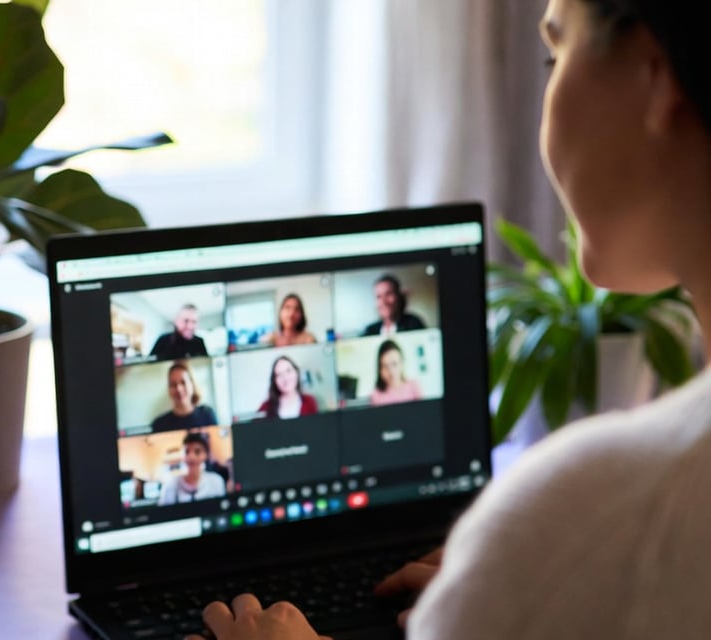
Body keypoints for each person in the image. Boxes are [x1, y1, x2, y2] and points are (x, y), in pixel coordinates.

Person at [191, 0, 711, 637]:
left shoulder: (602, 517)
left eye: (556, 54)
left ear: (653, 77)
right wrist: (505, 597)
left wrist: (521, 580)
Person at [158, 431, 225, 505]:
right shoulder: (170, 484)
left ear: (205, 455)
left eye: (197, 452)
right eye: (187, 452)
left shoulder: (216, 481)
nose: (191, 457)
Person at [151, 361, 217, 432]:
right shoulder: (159, 424)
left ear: (192, 384)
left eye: (183, 382)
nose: (179, 389)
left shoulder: (207, 415)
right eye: (173, 384)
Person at [370, 339, 422, 406]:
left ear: (402, 363)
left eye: (394, 364)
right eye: (385, 366)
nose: (391, 371)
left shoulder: (414, 386)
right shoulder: (376, 395)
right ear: (380, 370)